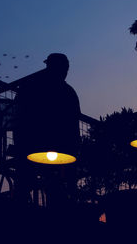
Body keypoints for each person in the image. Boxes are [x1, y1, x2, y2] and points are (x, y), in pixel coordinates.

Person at [5, 53, 81, 205]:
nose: (65, 72)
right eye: (65, 69)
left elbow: (17, 118)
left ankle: (21, 206)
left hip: (34, 147)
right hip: (52, 149)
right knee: (53, 185)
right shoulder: (68, 92)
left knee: (30, 183)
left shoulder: (29, 86)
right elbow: (74, 127)